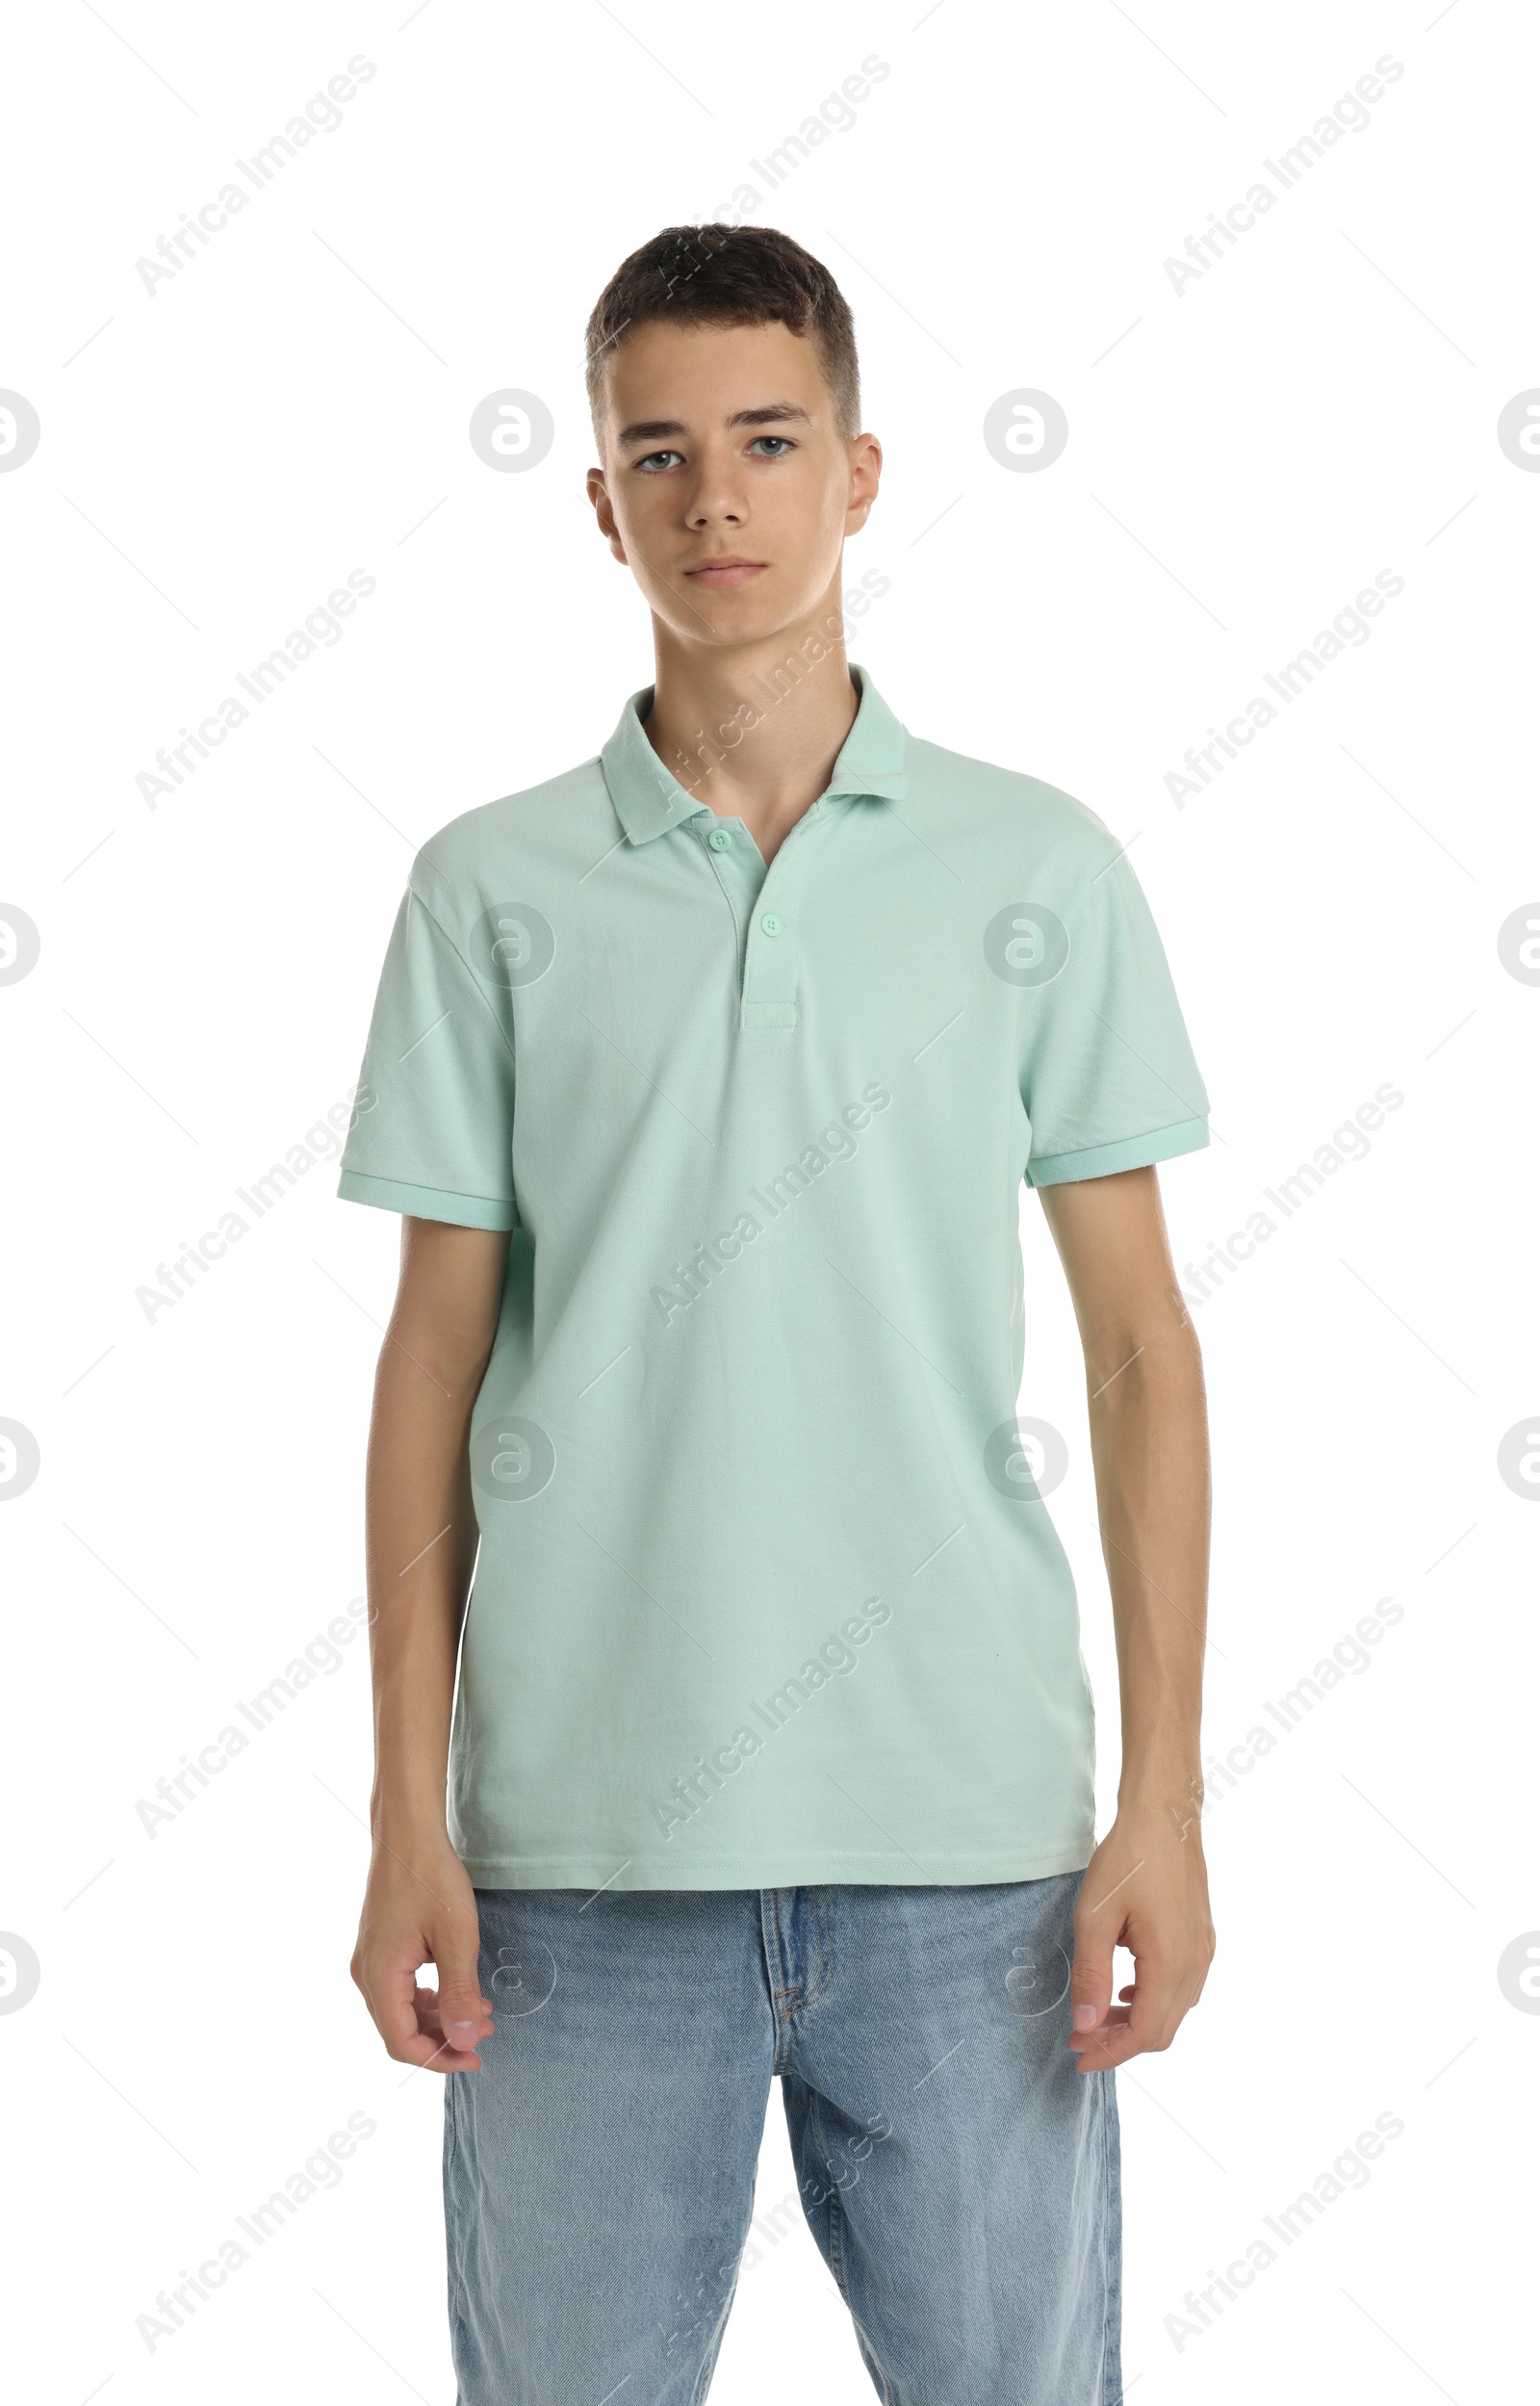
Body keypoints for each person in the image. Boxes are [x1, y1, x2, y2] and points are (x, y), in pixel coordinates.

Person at [339, 220, 1215, 2406]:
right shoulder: (489, 889)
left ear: (860, 472)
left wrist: (1169, 1797)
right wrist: (402, 1813)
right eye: (658, 451)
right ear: (599, 501)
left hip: (973, 1848)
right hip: (577, 1864)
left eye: (762, 440)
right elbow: (432, 1366)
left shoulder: (1034, 869)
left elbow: (1137, 1353)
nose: (712, 496)